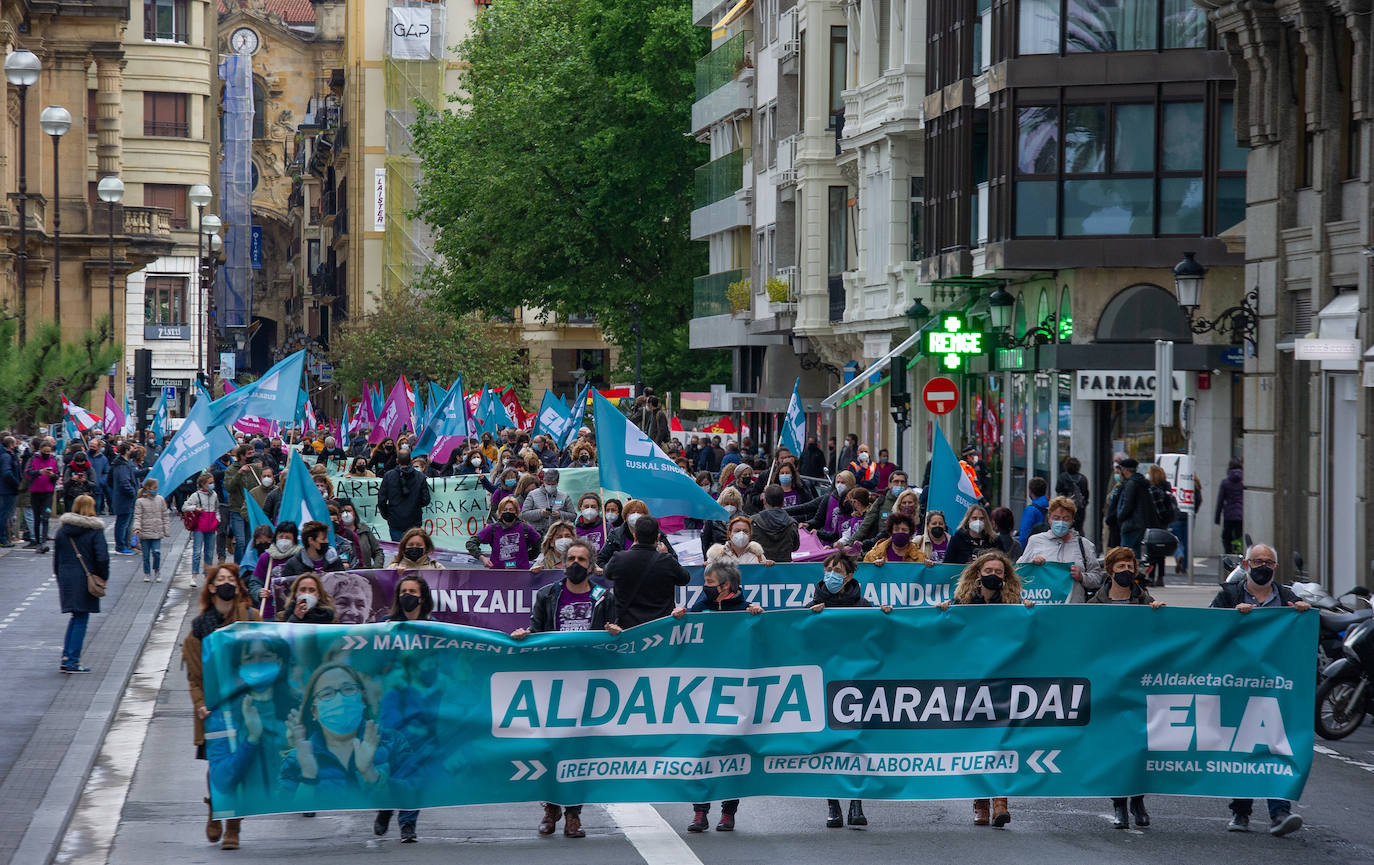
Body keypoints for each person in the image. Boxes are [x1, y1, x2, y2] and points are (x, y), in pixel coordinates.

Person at [511, 539, 617, 837]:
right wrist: (525, 634)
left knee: (578, 752)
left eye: (582, 560)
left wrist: (615, 633)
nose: (575, 564)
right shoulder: (548, 594)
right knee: (550, 749)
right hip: (553, 683)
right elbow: (536, 629)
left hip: (587, 686)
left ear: (592, 565)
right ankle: (550, 807)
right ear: (561, 562)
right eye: (571, 558)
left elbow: (615, 636)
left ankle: (573, 814)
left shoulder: (603, 597)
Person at [1209, 543, 1309, 836]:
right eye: (1257, 561)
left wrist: (1303, 615)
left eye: (1269, 562)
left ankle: (1280, 813)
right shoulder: (1230, 594)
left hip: (1276, 686)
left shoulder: (1288, 598)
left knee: (1276, 743)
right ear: (1245, 563)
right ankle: (1241, 812)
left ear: (1276, 568)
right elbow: (1207, 627)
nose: (1263, 566)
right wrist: (1231, 616)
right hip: (1238, 683)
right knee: (1244, 744)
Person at [937, 551, 1035, 827]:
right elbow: (949, 635)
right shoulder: (963, 602)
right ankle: (980, 802)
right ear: (978, 573)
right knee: (976, 742)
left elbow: (1026, 634)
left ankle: (1000, 801)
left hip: (1003, 680)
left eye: (999, 572)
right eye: (989, 570)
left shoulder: (1013, 603)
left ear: (1005, 577)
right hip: (971, 682)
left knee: (1001, 740)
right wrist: (945, 613)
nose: (994, 575)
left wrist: (1028, 612)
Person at [670, 561, 762, 832]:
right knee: (702, 752)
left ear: (727, 586)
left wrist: (758, 615)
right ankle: (700, 811)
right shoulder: (699, 608)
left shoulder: (747, 610)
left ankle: (728, 812)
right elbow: (682, 631)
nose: (705, 588)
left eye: (710, 583)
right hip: (702, 693)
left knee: (732, 752)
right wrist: (680, 615)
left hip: (736, 694)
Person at [810, 551, 891, 827]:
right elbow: (798, 637)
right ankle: (833, 805)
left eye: (838, 570)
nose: (832, 574)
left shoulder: (863, 604)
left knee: (857, 743)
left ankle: (856, 802)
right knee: (829, 745)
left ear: (849, 575)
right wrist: (810, 618)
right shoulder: (812, 604)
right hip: (824, 683)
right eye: (828, 569)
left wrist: (885, 618)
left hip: (856, 683)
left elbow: (878, 638)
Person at [184, 563, 259, 850]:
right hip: (214, 709)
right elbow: (194, 676)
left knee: (239, 765)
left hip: (243, 705)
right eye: (221, 579)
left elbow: (271, 651)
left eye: (232, 579)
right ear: (212, 587)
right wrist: (201, 704)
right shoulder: (198, 628)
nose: (227, 583)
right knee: (217, 764)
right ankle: (216, 807)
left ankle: (234, 827)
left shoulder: (252, 618)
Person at [280, 664, 416, 809]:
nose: (340, 699)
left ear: (362, 699)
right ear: (314, 711)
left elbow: (415, 802)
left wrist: (371, 775)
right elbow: (287, 820)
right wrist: (308, 778)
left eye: (348, 689)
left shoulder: (393, 742)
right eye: (327, 694)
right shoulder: (297, 758)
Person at [374, 575, 438, 843]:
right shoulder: (387, 628)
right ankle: (386, 806)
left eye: (413, 591)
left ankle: (408, 823)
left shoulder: (437, 629)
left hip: (422, 707)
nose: (407, 595)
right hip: (391, 706)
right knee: (389, 761)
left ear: (422, 597)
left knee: (414, 764)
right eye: (403, 591)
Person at [53, 495, 108, 674]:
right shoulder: (94, 530)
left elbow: (57, 558)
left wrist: (60, 576)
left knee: (75, 617)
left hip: (66, 577)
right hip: (86, 577)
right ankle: (73, 662)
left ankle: (66, 657)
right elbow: (102, 558)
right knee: (81, 619)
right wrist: (103, 577)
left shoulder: (62, 530)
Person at [605, 515, 690, 628]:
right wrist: (666, 555)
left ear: (635, 535)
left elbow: (607, 574)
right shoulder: (667, 560)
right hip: (660, 627)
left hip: (629, 629)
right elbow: (685, 578)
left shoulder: (619, 558)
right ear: (658, 537)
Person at [1017, 497, 1103, 603]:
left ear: (1072, 520)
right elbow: (1019, 572)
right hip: (1044, 607)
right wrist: (1032, 563)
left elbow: (1097, 578)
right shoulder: (1035, 541)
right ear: (1049, 518)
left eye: (1066, 519)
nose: (1061, 522)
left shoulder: (1084, 545)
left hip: (1073, 608)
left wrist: (1082, 577)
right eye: (1056, 518)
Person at [597, 499, 679, 567]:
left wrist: (665, 555)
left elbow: (674, 560)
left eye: (639, 512)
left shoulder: (656, 533)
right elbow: (601, 560)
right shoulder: (615, 535)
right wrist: (616, 571)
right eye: (632, 512)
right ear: (625, 516)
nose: (636, 515)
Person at [469, 496, 543, 569]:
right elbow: (471, 543)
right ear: (500, 512)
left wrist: (528, 557)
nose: (508, 512)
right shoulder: (492, 528)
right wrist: (482, 558)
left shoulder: (526, 528)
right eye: (505, 510)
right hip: (498, 573)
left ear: (516, 512)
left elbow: (539, 542)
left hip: (521, 573)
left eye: (511, 510)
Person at [377, 453, 432, 541]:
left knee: (398, 550)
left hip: (395, 520)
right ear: (411, 460)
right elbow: (426, 499)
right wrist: (414, 505)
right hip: (414, 520)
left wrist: (388, 515)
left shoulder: (388, 476)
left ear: (397, 461)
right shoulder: (420, 477)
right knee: (413, 549)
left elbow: (381, 500)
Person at [184, 473, 221, 583]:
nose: (212, 485)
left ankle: (207, 575)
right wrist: (195, 508)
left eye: (213, 482)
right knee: (197, 552)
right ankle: (194, 576)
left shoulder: (214, 494)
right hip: (199, 527)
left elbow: (217, 508)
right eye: (210, 483)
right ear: (203, 484)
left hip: (211, 526)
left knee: (209, 553)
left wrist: (218, 519)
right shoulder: (196, 495)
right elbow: (185, 507)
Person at [1110, 458, 1152, 554]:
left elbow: (1127, 504)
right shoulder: (1141, 482)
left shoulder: (1131, 484)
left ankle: (1128, 569)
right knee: (1135, 553)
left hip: (1131, 524)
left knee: (1125, 553)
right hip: (1140, 524)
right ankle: (1135, 568)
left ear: (1125, 470)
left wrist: (1120, 517)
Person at [279, 520, 346, 580]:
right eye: (323, 539)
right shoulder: (293, 564)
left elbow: (344, 583)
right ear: (310, 540)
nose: (327, 541)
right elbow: (285, 588)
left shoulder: (335, 560)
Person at [251, 522, 300, 604]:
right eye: (281, 537)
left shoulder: (300, 557)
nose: (283, 540)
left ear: (294, 540)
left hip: (294, 608)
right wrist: (259, 591)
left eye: (287, 537)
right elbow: (255, 582)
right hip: (269, 608)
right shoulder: (266, 557)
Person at [133, 479, 170, 582]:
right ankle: (147, 573)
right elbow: (137, 516)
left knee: (157, 552)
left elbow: (165, 515)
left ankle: (157, 570)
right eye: (155, 488)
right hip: (144, 532)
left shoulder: (160, 499)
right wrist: (137, 528)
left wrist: (166, 529)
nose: (156, 490)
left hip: (157, 531)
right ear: (148, 488)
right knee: (146, 555)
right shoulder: (140, 501)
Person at [25, 440, 59, 552]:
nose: (46, 454)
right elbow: (27, 473)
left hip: (48, 493)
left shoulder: (53, 460)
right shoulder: (33, 459)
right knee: (37, 518)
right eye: (44, 451)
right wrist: (39, 472)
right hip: (35, 492)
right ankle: (38, 542)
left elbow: (57, 475)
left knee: (45, 517)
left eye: (48, 452)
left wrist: (52, 475)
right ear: (40, 450)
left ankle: (43, 541)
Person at [751, 485, 800, 563]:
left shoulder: (753, 521)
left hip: (760, 568)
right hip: (784, 569)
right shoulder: (792, 523)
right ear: (783, 502)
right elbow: (795, 547)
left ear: (764, 501)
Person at [521, 468, 576, 534]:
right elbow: (524, 514)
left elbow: (573, 516)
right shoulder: (532, 494)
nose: (550, 486)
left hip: (557, 533)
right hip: (537, 533)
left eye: (553, 484)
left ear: (557, 483)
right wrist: (540, 513)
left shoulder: (564, 496)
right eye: (548, 484)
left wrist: (560, 514)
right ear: (544, 482)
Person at [107, 443, 140, 554]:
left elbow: (132, 475)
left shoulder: (124, 464)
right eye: (132, 449)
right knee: (122, 523)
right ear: (126, 451)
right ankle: (121, 547)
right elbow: (124, 482)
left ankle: (125, 544)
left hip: (125, 498)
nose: (134, 451)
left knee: (125, 523)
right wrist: (132, 493)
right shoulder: (121, 465)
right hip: (124, 499)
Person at [706, 515, 774, 565]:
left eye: (745, 531)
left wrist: (769, 566)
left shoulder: (758, 555)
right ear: (729, 533)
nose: (741, 534)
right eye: (737, 531)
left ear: (750, 534)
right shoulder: (716, 555)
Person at [1215, 459, 1244, 554]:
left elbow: (1220, 501)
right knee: (1238, 536)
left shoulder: (1225, 482)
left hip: (1229, 514)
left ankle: (1228, 554)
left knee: (1226, 536)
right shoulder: (1243, 482)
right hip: (1240, 514)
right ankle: (1238, 554)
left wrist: (1217, 518)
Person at [1055, 456, 1090, 533]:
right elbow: (1086, 494)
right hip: (1079, 509)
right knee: (1079, 529)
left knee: (1065, 528)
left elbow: (1057, 489)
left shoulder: (1062, 477)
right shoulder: (1083, 478)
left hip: (1065, 506)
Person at [1016, 477, 1050, 548]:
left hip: (1034, 548)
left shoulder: (1030, 510)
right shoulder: (1051, 507)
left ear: (1031, 492)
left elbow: (1024, 535)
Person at [0, 436, 21, 547]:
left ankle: (4, 538)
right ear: (11, 445)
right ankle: (2, 538)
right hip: (7, 490)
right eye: (15, 443)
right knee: (4, 514)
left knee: (4, 514)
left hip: (6, 489)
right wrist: (16, 483)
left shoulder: (6, 455)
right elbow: (6, 472)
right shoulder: (7, 457)